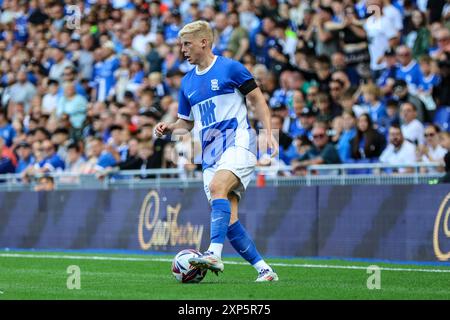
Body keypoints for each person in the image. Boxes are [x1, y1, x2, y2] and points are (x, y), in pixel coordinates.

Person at [154, 21, 278, 282]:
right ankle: (265, 271)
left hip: (238, 142)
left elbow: (257, 99)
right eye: (180, 45)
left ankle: (213, 253)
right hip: (210, 155)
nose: (183, 50)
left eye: (187, 44)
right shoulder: (187, 83)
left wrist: (268, 133)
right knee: (229, 222)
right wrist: (169, 129)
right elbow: (186, 124)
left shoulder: (230, 68)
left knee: (219, 187)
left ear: (204, 42)